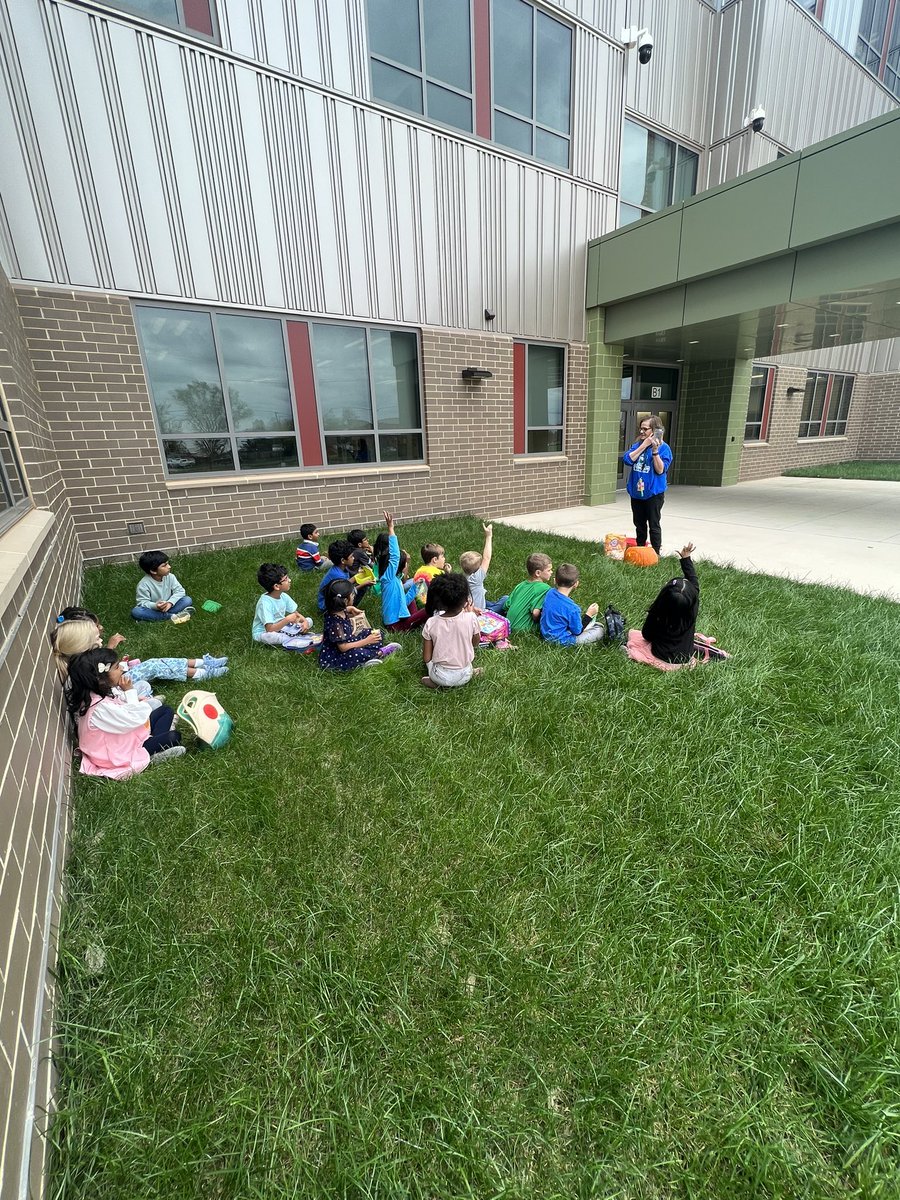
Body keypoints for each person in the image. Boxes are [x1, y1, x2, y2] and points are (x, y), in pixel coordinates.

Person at [66, 647, 185, 779]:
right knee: (174, 737)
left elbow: (125, 706)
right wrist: (130, 691)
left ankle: (156, 741)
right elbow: (136, 717)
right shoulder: (100, 709)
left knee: (165, 711)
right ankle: (151, 756)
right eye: (117, 667)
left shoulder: (96, 693)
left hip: (124, 738)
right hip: (116, 755)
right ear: (100, 678)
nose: (122, 669)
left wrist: (126, 693)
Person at [52, 608, 227, 683]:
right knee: (154, 665)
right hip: (118, 688)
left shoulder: (82, 658)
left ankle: (202, 663)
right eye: (97, 635)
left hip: (119, 679)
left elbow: (106, 668)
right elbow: (107, 677)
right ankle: (201, 674)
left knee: (158, 661)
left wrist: (121, 664)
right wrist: (110, 648)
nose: (101, 636)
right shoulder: (84, 663)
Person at [319, 579, 401, 671]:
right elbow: (343, 647)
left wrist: (351, 609)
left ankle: (370, 653)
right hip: (337, 655)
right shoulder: (336, 624)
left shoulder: (338, 610)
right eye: (352, 595)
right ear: (345, 601)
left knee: (375, 633)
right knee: (355, 653)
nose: (354, 596)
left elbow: (345, 610)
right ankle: (378, 654)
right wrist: (366, 641)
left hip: (349, 640)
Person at [421, 571, 482, 689]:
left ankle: (436, 683)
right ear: (465, 600)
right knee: (465, 667)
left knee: (429, 670)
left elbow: (426, 658)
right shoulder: (471, 618)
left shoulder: (431, 623)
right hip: (465, 674)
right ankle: (471, 673)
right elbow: (475, 643)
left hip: (439, 676)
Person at [642, 543, 700, 663]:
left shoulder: (659, 611)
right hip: (685, 656)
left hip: (660, 653)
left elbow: (646, 635)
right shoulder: (692, 608)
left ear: (663, 598)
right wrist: (686, 559)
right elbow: (694, 584)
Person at [623, 416, 673, 554]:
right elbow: (628, 460)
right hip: (637, 492)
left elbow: (660, 469)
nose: (642, 431)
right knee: (639, 524)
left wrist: (655, 451)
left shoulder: (664, 448)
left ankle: (655, 554)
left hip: (653, 494)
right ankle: (640, 549)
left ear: (654, 430)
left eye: (645, 429)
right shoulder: (638, 445)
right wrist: (644, 445)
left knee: (653, 524)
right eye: (641, 428)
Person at [373, 511, 428, 632]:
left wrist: (415, 587)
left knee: (411, 598)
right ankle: (417, 621)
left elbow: (405, 600)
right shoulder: (388, 578)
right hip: (396, 626)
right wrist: (391, 528)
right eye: (405, 563)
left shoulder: (395, 579)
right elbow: (395, 557)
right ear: (398, 566)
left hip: (400, 619)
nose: (406, 564)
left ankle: (415, 619)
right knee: (429, 609)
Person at [253, 563, 319, 648]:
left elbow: (296, 614)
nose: (290, 580)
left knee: (309, 621)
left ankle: (293, 636)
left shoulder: (283, 596)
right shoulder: (265, 603)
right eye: (286, 579)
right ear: (276, 586)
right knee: (273, 637)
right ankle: (294, 637)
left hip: (282, 627)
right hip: (264, 632)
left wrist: (305, 622)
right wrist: (287, 620)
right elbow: (269, 629)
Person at [540, 563, 605, 646]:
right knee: (600, 630)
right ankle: (590, 642)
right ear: (576, 584)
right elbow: (577, 631)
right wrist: (588, 615)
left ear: (555, 580)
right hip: (561, 641)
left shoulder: (550, 593)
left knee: (594, 625)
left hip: (545, 634)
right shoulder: (573, 608)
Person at [131, 551, 194, 623]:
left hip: (169, 606)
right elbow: (142, 603)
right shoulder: (143, 584)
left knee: (187, 599)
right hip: (153, 609)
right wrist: (156, 606)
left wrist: (170, 603)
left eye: (168, 563)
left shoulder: (170, 577)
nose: (169, 567)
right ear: (153, 571)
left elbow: (180, 591)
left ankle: (155, 618)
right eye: (164, 565)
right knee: (136, 612)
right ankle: (172, 616)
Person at [459, 523, 508, 614]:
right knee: (506, 599)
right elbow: (487, 558)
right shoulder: (476, 578)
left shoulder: (461, 577)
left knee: (492, 602)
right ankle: (491, 611)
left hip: (470, 606)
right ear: (478, 569)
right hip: (478, 611)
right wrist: (489, 536)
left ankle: (493, 606)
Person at [505, 553, 554, 633]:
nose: (551, 572)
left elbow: (507, 605)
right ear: (538, 573)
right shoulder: (545, 588)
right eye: (549, 570)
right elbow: (535, 613)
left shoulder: (520, 585)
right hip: (523, 629)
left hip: (508, 625)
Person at [317, 540, 356, 612]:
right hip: (326, 606)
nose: (353, 558)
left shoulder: (341, 568)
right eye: (351, 556)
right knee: (354, 592)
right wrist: (363, 583)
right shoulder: (338, 575)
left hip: (332, 598)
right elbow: (346, 590)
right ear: (343, 560)